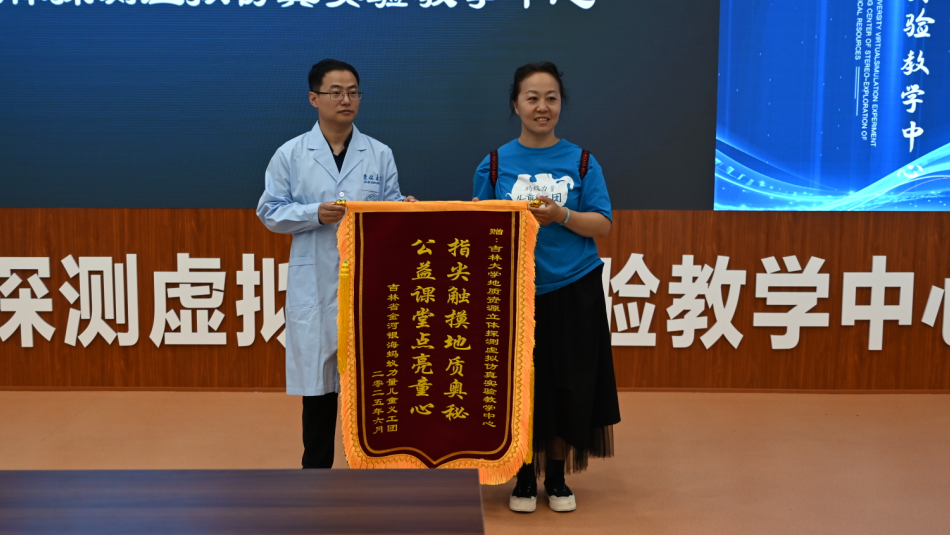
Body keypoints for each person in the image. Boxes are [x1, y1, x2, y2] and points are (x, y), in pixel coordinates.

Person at [472, 62, 620, 513]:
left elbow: (603, 224)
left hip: (573, 288)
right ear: (515, 104)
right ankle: (522, 477)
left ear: (561, 104)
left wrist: (561, 215)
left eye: (551, 98)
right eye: (532, 98)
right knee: (518, 387)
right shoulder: (494, 164)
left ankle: (556, 478)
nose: (542, 107)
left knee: (567, 385)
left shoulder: (583, 162)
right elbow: (478, 229)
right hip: (513, 293)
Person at [257, 59, 416, 469]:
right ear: (314, 98)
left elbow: (390, 211)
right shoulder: (291, 153)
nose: (346, 99)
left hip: (368, 282)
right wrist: (314, 213)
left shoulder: (379, 153)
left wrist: (405, 209)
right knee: (320, 390)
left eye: (353, 92)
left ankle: (370, 470)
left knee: (371, 384)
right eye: (336, 92)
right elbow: (270, 212)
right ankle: (316, 476)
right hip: (316, 283)